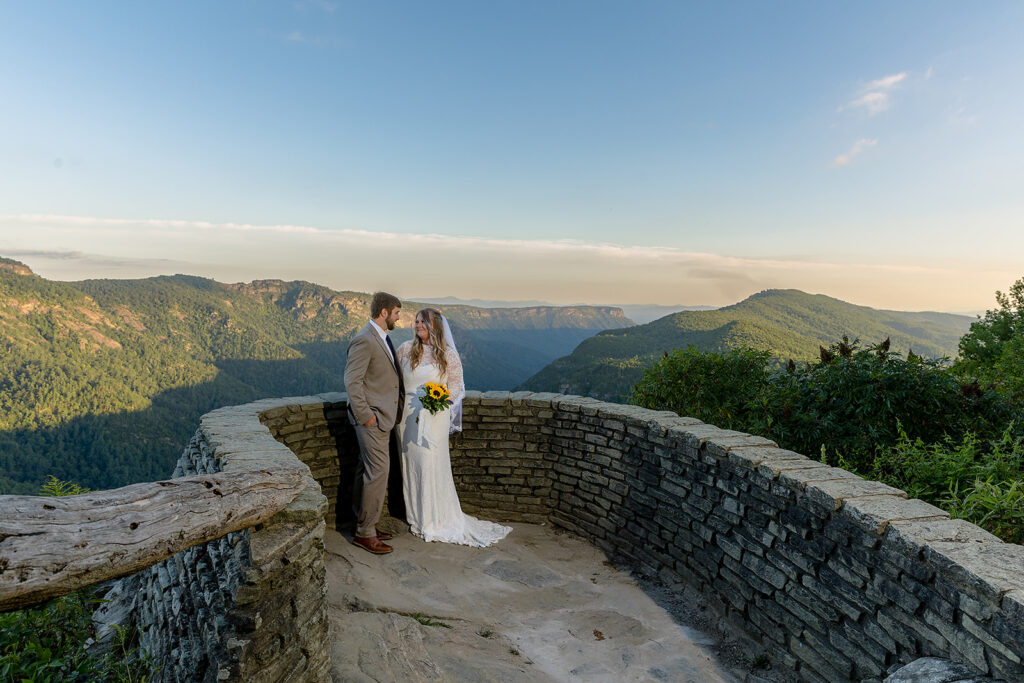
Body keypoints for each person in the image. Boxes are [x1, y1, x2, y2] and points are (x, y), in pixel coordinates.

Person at [396, 308, 511, 547]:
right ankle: (416, 517)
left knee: (429, 464)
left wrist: (439, 403)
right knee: (410, 464)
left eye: (423, 322)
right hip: (406, 417)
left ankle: (434, 519)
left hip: (434, 417)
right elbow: (394, 379)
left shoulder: (447, 354)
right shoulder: (406, 349)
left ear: (435, 326)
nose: (418, 325)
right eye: (416, 321)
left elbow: (456, 387)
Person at [344, 292, 405, 555]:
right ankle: (365, 534)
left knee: (366, 471)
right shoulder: (365, 339)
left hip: (381, 417)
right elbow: (352, 381)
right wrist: (367, 416)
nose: (398, 317)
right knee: (378, 472)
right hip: (372, 420)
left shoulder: (381, 337)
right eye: (396, 313)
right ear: (384, 312)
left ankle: (364, 523)